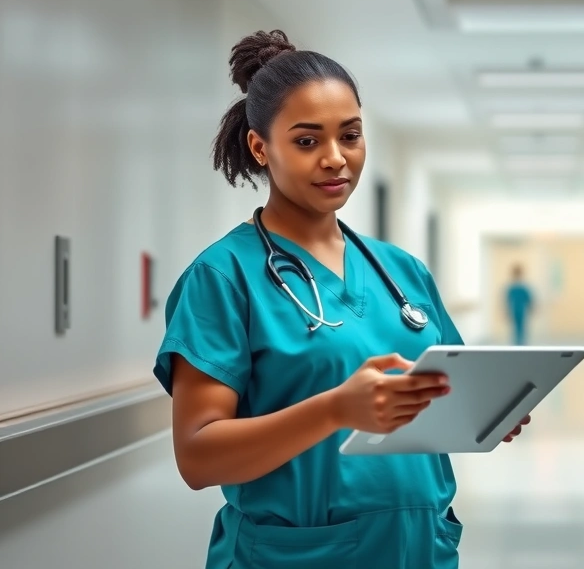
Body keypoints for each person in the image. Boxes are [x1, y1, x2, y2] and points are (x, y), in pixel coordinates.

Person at [152, 30, 530, 569]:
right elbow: (197, 456)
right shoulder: (223, 276)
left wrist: (486, 410)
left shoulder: (402, 272)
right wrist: (336, 409)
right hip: (298, 557)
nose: (336, 159)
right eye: (308, 141)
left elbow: (445, 386)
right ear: (261, 147)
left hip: (420, 550)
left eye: (350, 135)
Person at [504, 264, 533, 345]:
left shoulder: (522, 287)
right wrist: (506, 311)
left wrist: (532, 308)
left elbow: (529, 299)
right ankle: (517, 343)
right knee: (516, 328)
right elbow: (508, 300)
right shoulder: (513, 288)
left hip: (520, 310)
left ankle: (520, 343)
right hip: (515, 310)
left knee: (521, 328)